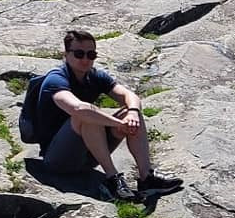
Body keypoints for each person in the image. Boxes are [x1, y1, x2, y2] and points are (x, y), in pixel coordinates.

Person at [34, 29, 182, 200]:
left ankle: (146, 177)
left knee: (130, 112)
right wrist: (118, 124)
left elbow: (130, 96)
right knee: (88, 116)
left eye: (91, 55)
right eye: (79, 54)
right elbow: (78, 109)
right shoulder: (56, 79)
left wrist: (132, 114)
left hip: (89, 155)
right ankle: (113, 179)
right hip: (58, 160)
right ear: (66, 55)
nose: (85, 59)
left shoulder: (95, 76)